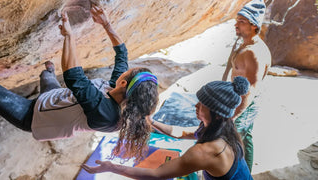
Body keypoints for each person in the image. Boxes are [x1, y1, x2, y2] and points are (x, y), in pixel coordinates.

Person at [0, 5, 159, 162]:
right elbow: (122, 55)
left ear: (124, 82)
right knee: (47, 76)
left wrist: (69, 36)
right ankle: (48, 73)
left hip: (31, 115)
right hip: (55, 98)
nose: (123, 70)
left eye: (126, 73)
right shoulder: (119, 90)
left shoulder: (107, 114)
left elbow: (74, 77)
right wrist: (106, 24)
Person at [82, 76, 253, 180]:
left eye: (202, 104)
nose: (196, 105)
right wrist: (152, 121)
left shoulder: (208, 151)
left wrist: (112, 167)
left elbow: (156, 174)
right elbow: (181, 133)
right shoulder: (225, 128)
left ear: (217, 113)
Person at [221, 0, 271, 172]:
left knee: (235, 143)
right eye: (237, 20)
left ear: (253, 26)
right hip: (247, 103)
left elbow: (250, 90)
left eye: (241, 22)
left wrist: (232, 116)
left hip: (244, 105)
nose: (236, 24)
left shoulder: (252, 53)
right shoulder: (250, 45)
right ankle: (246, 174)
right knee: (245, 138)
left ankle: (241, 174)